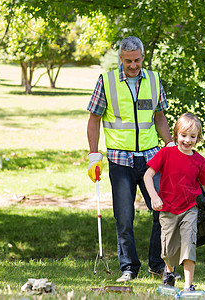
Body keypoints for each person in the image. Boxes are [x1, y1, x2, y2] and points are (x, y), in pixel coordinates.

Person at [87, 36, 178, 282]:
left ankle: (157, 264)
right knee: (124, 217)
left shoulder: (154, 80)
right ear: (121, 59)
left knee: (163, 210)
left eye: (137, 60)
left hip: (151, 158)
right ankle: (129, 267)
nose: (133, 65)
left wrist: (169, 144)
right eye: (128, 61)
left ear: (142, 57)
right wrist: (94, 154)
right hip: (120, 159)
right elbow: (94, 119)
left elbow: (159, 115)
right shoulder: (106, 82)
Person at [144, 113, 205, 291]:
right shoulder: (165, 153)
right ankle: (169, 273)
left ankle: (188, 285)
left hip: (189, 210)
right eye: (184, 135)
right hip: (168, 210)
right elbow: (148, 175)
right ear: (176, 134)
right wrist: (154, 197)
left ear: (198, 138)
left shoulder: (200, 161)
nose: (187, 140)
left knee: (188, 245)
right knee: (168, 251)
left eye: (192, 137)